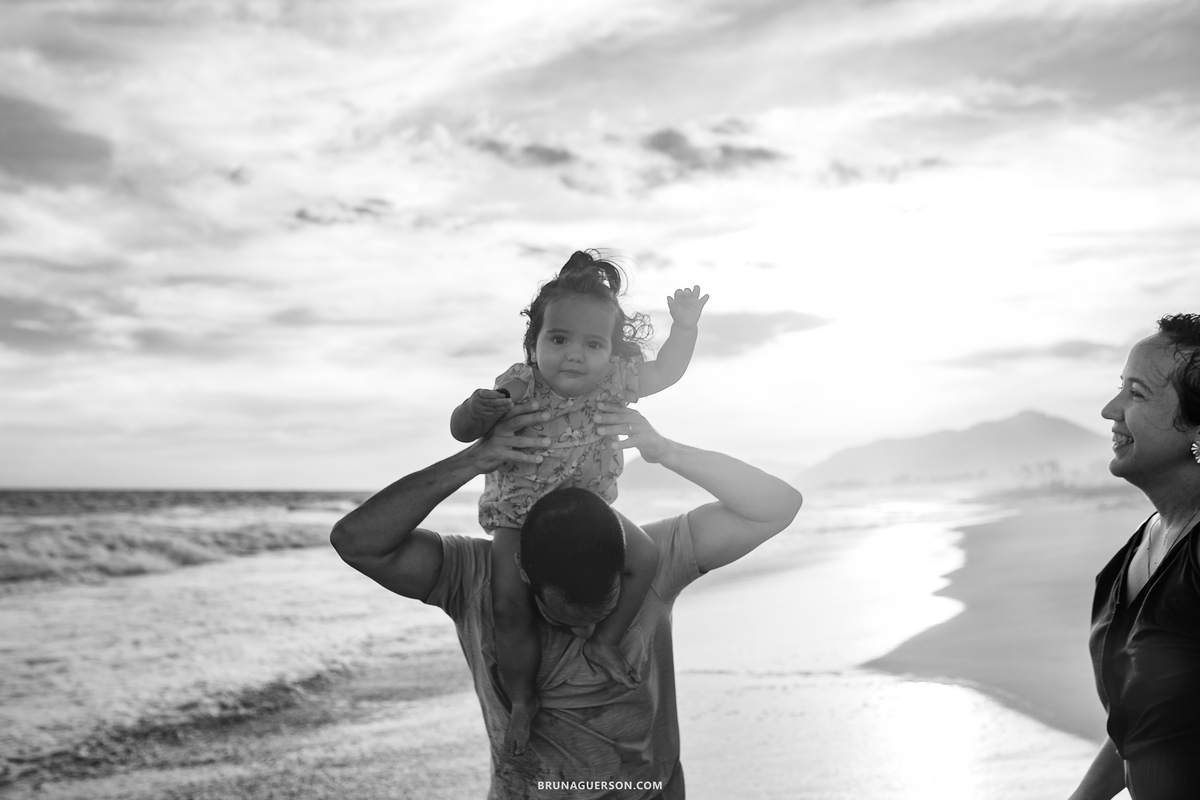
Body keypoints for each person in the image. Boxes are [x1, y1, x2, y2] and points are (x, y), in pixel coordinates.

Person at [330, 402, 802, 799]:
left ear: (623, 567)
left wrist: (665, 451)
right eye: (561, 615)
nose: (582, 635)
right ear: (522, 573)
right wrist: (473, 460)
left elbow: (777, 505)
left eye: (601, 614)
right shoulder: (475, 576)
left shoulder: (655, 558)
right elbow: (357, 540)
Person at [448, 249, 709, 755]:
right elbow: (463, 432)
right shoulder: (518, 385)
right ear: (534, 343)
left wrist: (685, 329)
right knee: (508, 604)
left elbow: (669, 372)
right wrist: (472, 410)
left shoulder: (617, 380)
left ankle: (604, 640)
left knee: (647, 558)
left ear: (612, 351)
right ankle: (522, 697)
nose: (574, 354)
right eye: (559, 339)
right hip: (520, 517)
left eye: (593, 343)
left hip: (591, 513)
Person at [1070, 313, 1200, 800]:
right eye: (1119, 388)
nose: (1110, 409)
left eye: (1137, 393)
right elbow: (1143, 718)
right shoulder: (1143, 542)